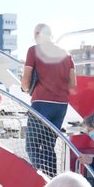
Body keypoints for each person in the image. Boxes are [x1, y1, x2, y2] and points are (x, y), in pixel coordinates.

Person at [21, 23, 75, 177]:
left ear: (38, 34)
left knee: (32, 146)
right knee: (48, 146)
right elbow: (72, 83)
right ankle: (52, 179)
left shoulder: (34, 51)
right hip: (61, 106)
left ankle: (40, 178)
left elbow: (26, 80)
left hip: (42, 103)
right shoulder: (66, 54)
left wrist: (26, 88)